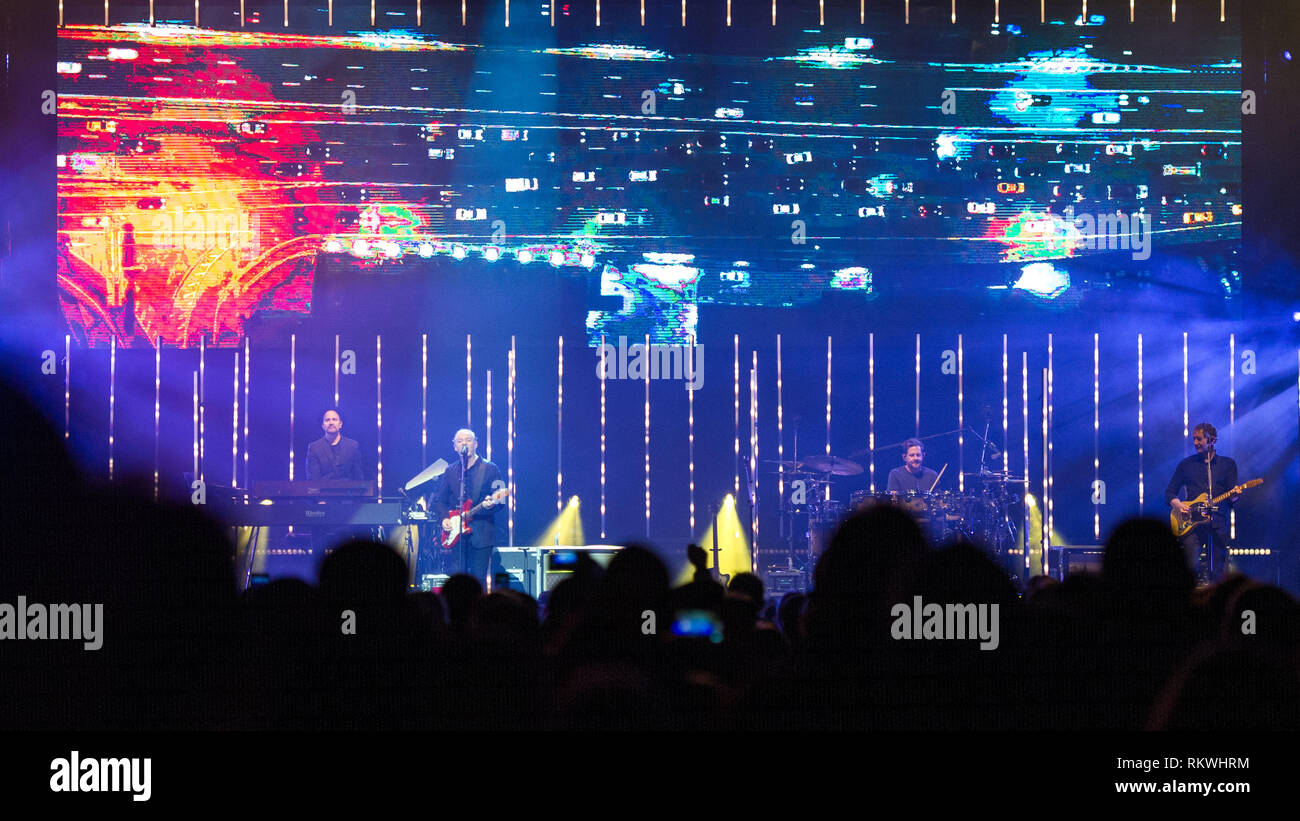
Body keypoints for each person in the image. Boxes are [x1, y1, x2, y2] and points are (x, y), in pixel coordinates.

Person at [1165, 422, 1238, 584]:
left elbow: (1232, 499)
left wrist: (1234, 495)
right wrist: (1179, 505)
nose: (1195, 443)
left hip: (1217, 524)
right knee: (1190, 568)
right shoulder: (1186, 464)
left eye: (1199, 439)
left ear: (1212, 440)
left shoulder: (1228, 465)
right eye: (1194, 439)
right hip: (1191, 526)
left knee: (1218, 574)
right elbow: (1169, 493)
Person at [430, 429, 504, 587]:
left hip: (481, 535)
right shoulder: (450, 471)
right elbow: (439, 500)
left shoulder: (491, 468)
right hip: (457, 536)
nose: (464, 443)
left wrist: (492, 503)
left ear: (476, 444)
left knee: (478, 581)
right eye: (460, 441)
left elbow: (501, 497)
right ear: (455, 446)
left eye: (468, 440)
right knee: (458, 581)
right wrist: (444, 519)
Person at [306, 408, 366, 481]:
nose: (331, 423)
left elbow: (358, 476)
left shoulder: (353, 446)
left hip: (348, 491)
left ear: (340, 424)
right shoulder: (314, 447)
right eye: (327, 420)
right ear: (323, 425)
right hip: (323, 491)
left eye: (334, 419)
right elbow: (313, 480)